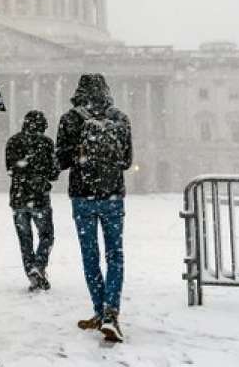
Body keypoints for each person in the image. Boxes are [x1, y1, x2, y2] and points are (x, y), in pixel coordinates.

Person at [55, 74, 133, 343]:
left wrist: (79, 154)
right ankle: (111, 312)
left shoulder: (70, 119)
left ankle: (100, 311)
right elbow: (126, 161)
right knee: (115, 255)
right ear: (106, 91)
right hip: (112, 195)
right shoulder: (120, 118)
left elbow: (61, 161)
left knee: (90, 256)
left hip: (82, 195)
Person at [5, 110, 59, 292]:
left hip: (18, 198)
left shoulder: (13, 141)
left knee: (25, 240)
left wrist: (23, 172)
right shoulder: (46, 143)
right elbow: (54, 173)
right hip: (39, 198)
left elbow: (10, 169)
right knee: (47, 235)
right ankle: (39, 265)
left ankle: (32, 272)